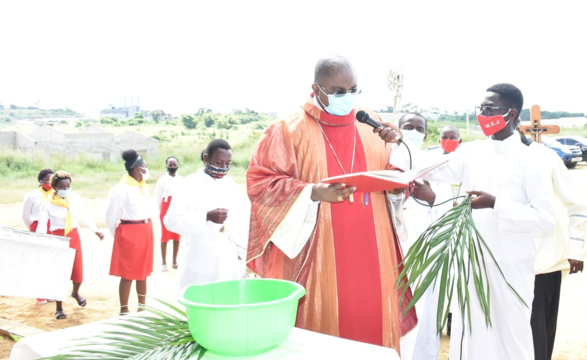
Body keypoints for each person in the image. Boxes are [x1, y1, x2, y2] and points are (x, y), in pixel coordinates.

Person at [245, 55, 417, 350]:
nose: (348, 97)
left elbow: (396, 175)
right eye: (338, 91)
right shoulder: (289, 129)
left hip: (374, 246)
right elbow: (260, 183)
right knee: (325, 331)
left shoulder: (371, 123)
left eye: (354, 90)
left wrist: (398, 176)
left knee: (372, 321)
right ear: (316, 89)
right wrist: (312, 192)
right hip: (320, 246)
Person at [422, 83, 556, 360]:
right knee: (468, 335)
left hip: (509, 267)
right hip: (471, 260)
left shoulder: (532, 159)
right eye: (480, 109)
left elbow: (545, 219)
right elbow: (434, 169)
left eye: (489, 109)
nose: (483, 114)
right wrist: (399, 155)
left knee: (510, 339)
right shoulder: (473, 152)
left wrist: (496, 204)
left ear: (511, 113)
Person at [515, 123, 587, 360]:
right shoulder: (485, 158)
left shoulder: (546, 158)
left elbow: (576, 205)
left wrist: (576, 248)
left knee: (537, 338)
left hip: (543, 264)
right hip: (500, 265)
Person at [165, 139, 251, 290]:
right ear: (206, 158)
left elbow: (239, 220)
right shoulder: (188, 184)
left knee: (227, 304)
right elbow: (171, 220)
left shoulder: (229, 184)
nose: (223, 168)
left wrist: (240, 251)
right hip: (200, 263)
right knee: (201, 306)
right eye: (219, 163)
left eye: (227, 163)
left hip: (227, 262)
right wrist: (205, 217)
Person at [36, 171, 104, 319]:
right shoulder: (48, 202)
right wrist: (39, 241)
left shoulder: (75, 199)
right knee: (60, 275)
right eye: (61, 186)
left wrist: (96, 230)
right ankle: (59, 307)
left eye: (68, 185)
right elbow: (41, 225)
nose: (65, 188)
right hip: (58, 239)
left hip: (73, 236)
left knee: (78, 273)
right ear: (54, 187)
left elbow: (84, 217)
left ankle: (75, 292)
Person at [105, 150, 155, 315]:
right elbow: (110, 216)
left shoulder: (143, 187)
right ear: (138, 168)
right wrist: (119, 234)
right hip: (129, 232)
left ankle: (142, 307)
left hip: (146, 230)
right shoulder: (121, 189)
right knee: (128, 273)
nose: (147, 168)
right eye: (145, 166)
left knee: (143, 272)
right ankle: (124, 308)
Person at [22, 168, 54, 305]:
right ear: (40, 181)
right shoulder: (32, 195)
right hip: (37, 229)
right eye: (47, 180)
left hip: (53, 228)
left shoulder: (57, 195)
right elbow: (25, 216)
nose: (49, 182)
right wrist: (33, 229)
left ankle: (50, 291)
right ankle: (40, 294)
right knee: (40, 261)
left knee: (52, 261)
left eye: (52, 180)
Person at [154, 156, 183, 271]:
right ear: (166, 166)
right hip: (165, 209)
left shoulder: (181, 179)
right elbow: (158, 197)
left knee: (177, 235)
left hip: (178, 210)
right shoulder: (162, 180)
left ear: (177, 165)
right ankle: (164, 262)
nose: (172, 167)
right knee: (165, 236)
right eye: (170, 165)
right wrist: (162, 211)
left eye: (174, 164)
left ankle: (175, 261)